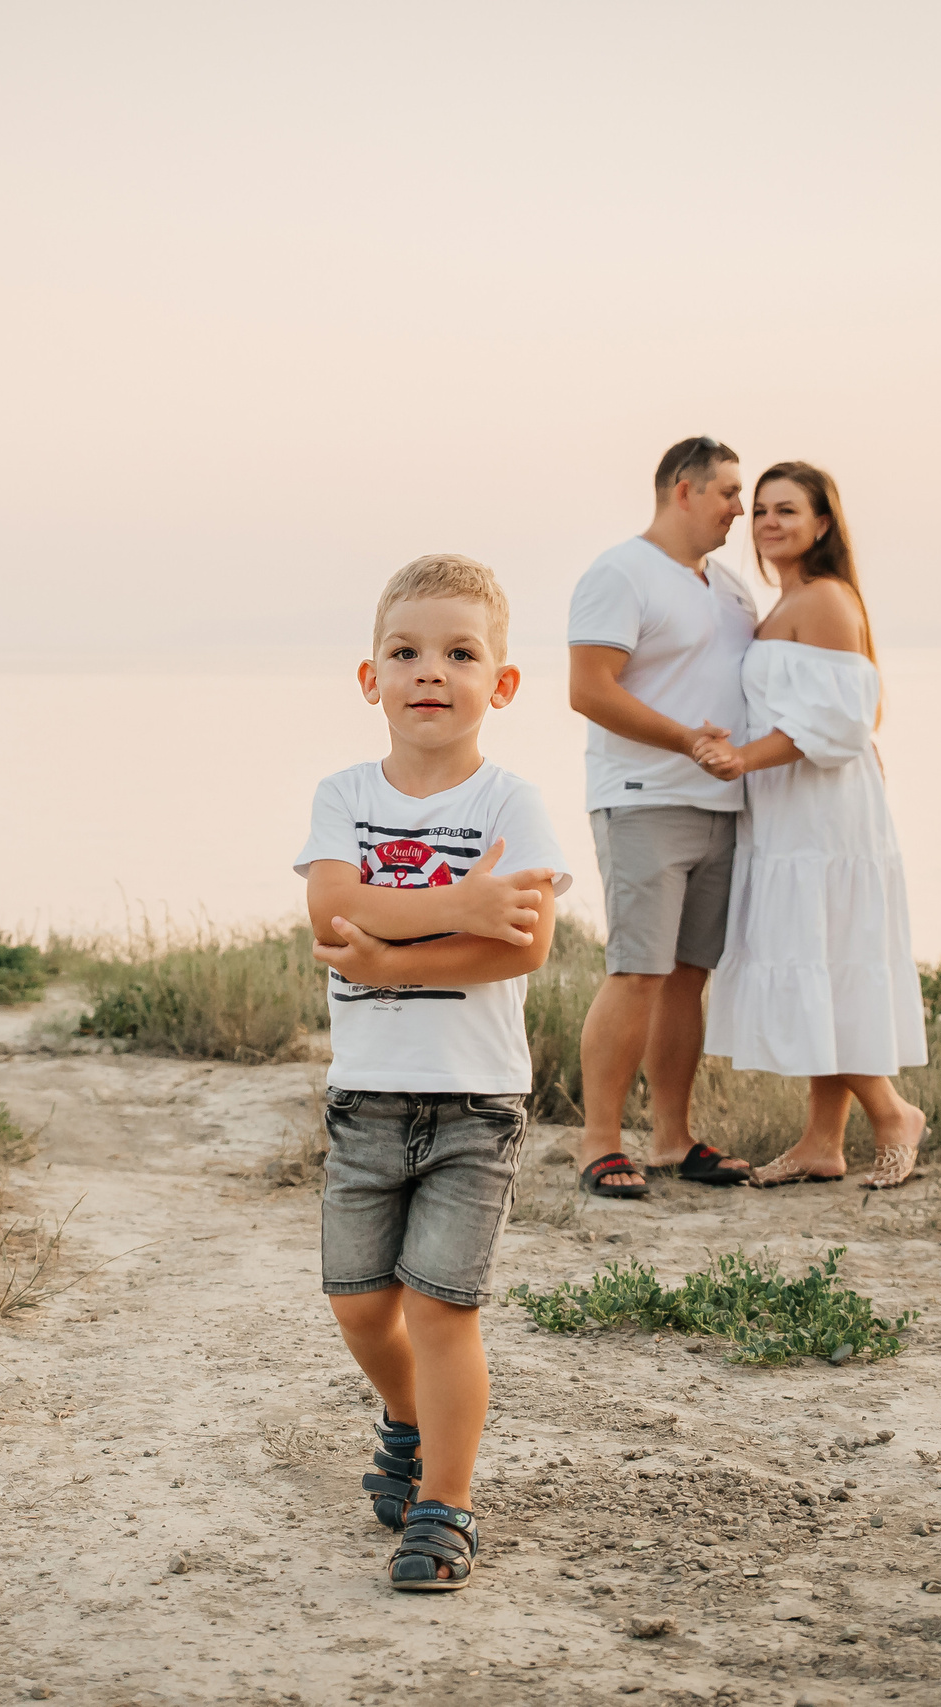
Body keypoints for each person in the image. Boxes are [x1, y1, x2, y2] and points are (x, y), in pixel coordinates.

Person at [296, 553, 572, 1592]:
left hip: (474, 1100)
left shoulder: (514, 802)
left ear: (498, 684)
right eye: (405, 652)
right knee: (360, 1302)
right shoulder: (343, 796)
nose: (430, 672)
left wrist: (389, 940)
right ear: (369, 678)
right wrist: (460, 902)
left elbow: (524, 947)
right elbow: (332, 912)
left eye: (459, 654)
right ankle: (405, 1421)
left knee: (440, 1307)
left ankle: (444, 1506)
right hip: (365, 1098)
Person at [691, 461, 928, 1188]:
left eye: (787, 509)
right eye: (760, 509)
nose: (768, 521)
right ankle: (823, 1141)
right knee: (818, 959)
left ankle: (892, 1113)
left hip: (824, 815)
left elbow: (840, 720)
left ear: (823, 522)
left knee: (823, 959)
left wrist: (741, 758)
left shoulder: (825, 599)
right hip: (791, 810)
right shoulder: (787, 598)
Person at [563, 435, 761, 1198]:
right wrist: (684, 740)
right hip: (643, 797)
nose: (739, 509)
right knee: (638, 970)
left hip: (723, 803)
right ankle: (599, 1142)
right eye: (728, 492)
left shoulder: (732, 587)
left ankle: (674, 1140)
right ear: (684, 488)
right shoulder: (619, 572)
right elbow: (590, 689)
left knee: (688, 977)